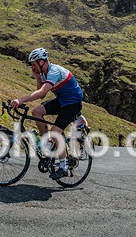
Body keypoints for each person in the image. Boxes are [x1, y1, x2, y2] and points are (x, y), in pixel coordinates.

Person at [9, 47, 84, 180]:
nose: (32, 67)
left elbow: (42, 93)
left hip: (73, 103)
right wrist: (38, 77)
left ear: (42, 61)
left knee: (56, 132)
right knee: (36, 111)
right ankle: (48, 144)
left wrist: (20, 100)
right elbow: (41, 92)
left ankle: (63, 166)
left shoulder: (54, 71)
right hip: (62, 100)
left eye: (34, 64)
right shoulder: (43, 73)